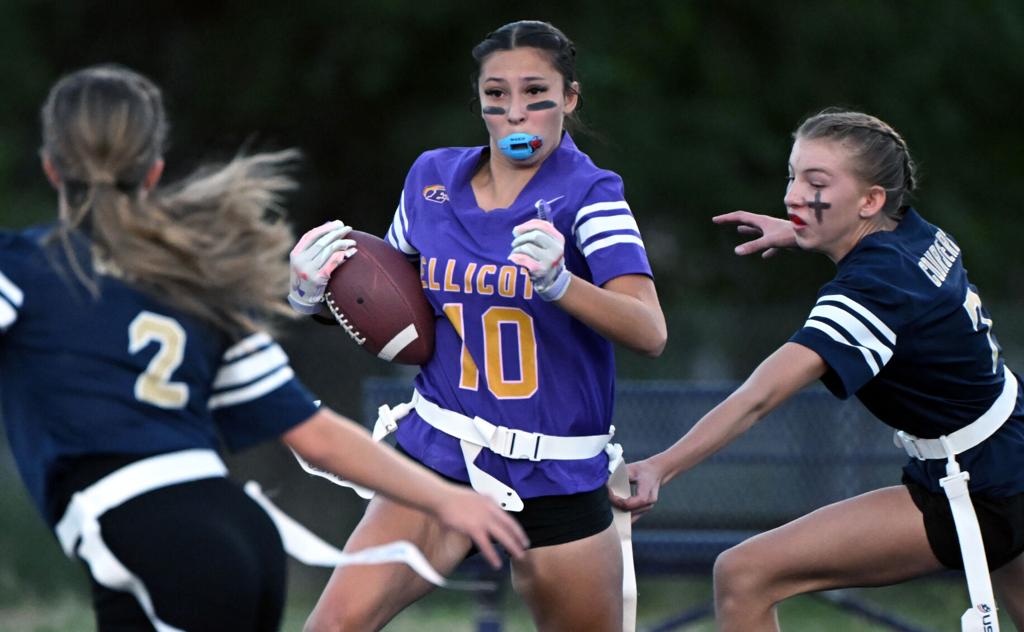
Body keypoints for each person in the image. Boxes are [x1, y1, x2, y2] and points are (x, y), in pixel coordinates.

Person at [0, 63, 528, 632]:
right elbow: (316, 434)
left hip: (154, 542)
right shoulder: (197, 285)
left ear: (52, 168)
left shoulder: (22, 271)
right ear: (153, 172)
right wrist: (446, 498)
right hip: (238, 533)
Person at [289, 20, 667, 632]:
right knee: (330, 627)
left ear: (570, 99)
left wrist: (562, 284)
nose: (516, 112)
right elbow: (394, 309)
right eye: (497, 95)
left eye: (536, 93)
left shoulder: (591, 195)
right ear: (481, 103)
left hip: (556, 474)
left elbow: (650, 331)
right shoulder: (430, 181)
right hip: (441, 450)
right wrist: (314, 293)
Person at [610, 109, 1024, 631]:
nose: (792, 194)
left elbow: (761, 396)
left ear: (871, 201)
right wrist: (808, 231)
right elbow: (889, 267)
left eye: (817, 182)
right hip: (1007, 449)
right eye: (793, 175)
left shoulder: (873, 290)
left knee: (743, 574)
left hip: (980, 486)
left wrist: (660, 466)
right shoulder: (920, 236)